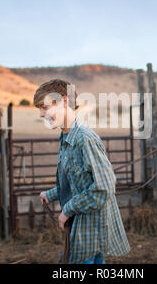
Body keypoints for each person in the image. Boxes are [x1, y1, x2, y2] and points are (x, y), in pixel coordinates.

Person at [35, 79, 130, 264]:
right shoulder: (66, 137)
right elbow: (78, 183)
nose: (41, 114)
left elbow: (103, 188)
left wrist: (67, 210)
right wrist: (51, 194)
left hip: (90, 227)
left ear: (63, 101)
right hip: (83, 227)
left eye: (44, 107)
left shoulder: (84, 139)